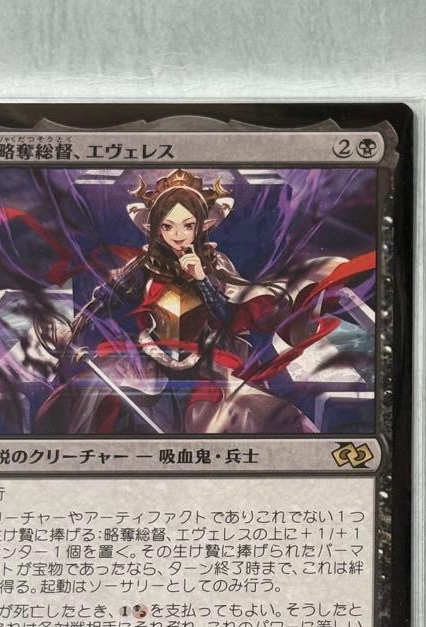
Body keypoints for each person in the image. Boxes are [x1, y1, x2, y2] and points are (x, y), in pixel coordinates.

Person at [34, 169, 362, 434]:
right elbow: (104, 299)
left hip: (206, 362)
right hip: (148, 362)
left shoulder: (215, 264)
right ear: (156, 228)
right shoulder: (143, 265)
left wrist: (202, 279)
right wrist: (73, 331)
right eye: (168, 226)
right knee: (80, 404)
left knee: (263, 417)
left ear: (200, 226)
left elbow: (227, 315)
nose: (178, 235)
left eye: (187, 225)